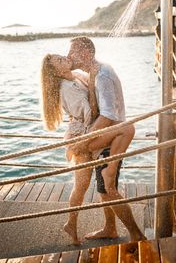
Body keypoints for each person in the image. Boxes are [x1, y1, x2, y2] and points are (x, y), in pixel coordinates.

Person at [40, 53, 142, 244]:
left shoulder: (76, 76)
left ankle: (94, 226)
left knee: (88, 185)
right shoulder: (67, 88)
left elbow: (93, 85)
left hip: (90, 132)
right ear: (56, 72)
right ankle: (72, 223)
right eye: (59, 60)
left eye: (61, 56)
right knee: (82, 185)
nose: (64, 58)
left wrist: (94, 75)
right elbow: (90, 114)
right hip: (83, 135)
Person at [65, 36, 146, 243]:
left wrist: (83, 140)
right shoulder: (94, 72)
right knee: (103, 189)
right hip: (106, 138)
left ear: (86, 54)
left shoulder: (102, 76)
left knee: (109, 190)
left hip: (113, 139)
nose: (68, 56)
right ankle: (110, 228)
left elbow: (108, 115)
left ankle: (136, 234)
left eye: (72, 51)